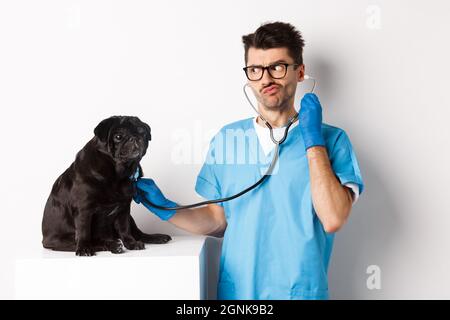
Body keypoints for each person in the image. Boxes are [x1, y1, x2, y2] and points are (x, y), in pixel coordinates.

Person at [134, 21, 364, 300]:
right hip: (239, 296)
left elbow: (333, 218)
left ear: (300, 72)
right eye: (255, 70)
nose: (265, 79)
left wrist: (313, 140)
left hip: (300, 293)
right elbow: (218, 221)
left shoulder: (333, 141)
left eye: (277, 67)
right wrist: (165, 207)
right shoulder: (228, 138)